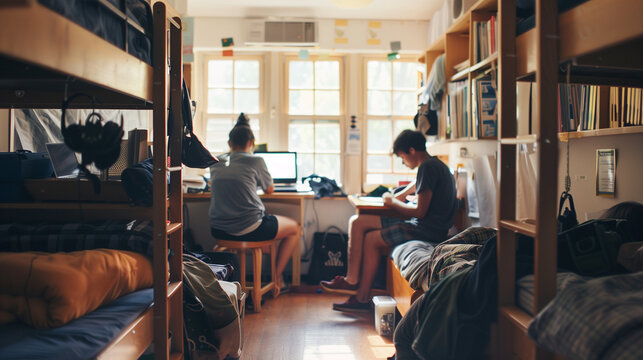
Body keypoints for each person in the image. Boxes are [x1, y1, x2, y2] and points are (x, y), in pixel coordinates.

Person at [321, 129, 458, 311]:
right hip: (428, 227)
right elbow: (417, 186)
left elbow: (419, 212)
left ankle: (361, 296)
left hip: (425, 230)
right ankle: (352, 280)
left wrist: (392, 203)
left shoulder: (427, 167)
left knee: (370, 238)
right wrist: (400, 196)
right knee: (358, 222)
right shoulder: (435, 165)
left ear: (411, 151)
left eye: (402, 157)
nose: (403, 162)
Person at [209, 120, 300, 292]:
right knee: (295, 227)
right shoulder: (256, 160)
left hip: (219, 229)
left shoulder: (217, 161)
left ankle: (261, 275)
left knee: (265, 234)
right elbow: (270, 189)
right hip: (250, 229)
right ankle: (277, 277)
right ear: (251, 143)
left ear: (230, 143)